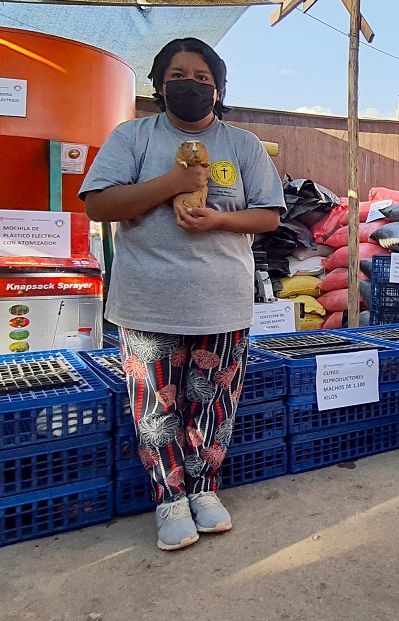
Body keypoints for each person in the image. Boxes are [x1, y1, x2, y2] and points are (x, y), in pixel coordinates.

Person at [80, 38, 285, 550]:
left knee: (213, 404)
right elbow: (99, 206)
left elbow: (268, 215)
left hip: (222, 301)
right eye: (177, 75)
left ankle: (205, 491)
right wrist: (172, 181)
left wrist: (217, 218)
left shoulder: (243, 146)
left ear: (217, 89)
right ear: (159, 83)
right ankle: (169, 500)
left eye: (201, 78)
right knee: (156, 407)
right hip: (148, 301)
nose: (189, 85)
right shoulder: (133, 137)